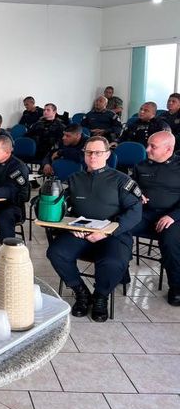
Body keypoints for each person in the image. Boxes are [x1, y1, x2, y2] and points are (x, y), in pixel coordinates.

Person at [46, 136, 142, 322]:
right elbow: (64, 208)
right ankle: (81, 292)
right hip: (80, 232)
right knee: (56, 252)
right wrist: (69, 226)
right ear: (84, 154)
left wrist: (108, 231)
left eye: (98, 152)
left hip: (113, 233)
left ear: (107, 154)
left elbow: (135, 211)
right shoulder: (74, 179)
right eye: (89, 152)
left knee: (112, 262)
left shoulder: (122, 180)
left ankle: (100, 296)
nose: (93, 156)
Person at [131, 131, 180, 306]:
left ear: (168, 149)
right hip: (145, 213)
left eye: (153, 146)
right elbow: (131, 187)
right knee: (119, 228)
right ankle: (119, 272)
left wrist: (172, 216)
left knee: (170, 240)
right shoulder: (141, 165)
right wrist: (136, 196)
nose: (147, 149)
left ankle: (176, 286)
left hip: (174, 216)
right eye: (148, 144)